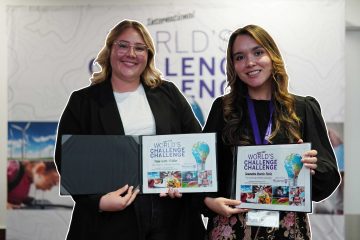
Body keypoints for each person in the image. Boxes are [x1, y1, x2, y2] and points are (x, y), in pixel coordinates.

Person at [54, 19, 204, 240]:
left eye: (139, 48)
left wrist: (184, 181)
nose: (130, 53)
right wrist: (98, 202)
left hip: (170, 214)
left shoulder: (168, 93)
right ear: (110, 50)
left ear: (148, 55)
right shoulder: (84, 101)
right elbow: (67, 159)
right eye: (123, 45)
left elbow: (196, 143)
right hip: (111, 217)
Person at [202, 25, 341, 239]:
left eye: (258, 52)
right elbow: (203, 174)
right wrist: (209, 202)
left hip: (286, 229)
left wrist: (314, 168)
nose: (249, 63)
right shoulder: (223, 109)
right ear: (233, 65)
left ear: (272, 55)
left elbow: (329, 177)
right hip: (232, 228)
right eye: (240, 57)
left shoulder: (302, 109)